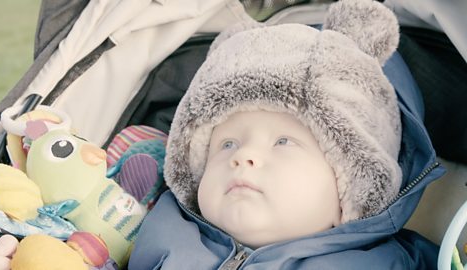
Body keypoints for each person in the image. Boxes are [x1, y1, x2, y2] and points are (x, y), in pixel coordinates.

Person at [129, 0, 445, 269]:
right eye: (227, 144)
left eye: (283, 142)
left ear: (350, 190)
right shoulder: (157, 229)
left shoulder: (388, 263)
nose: (243, 156)